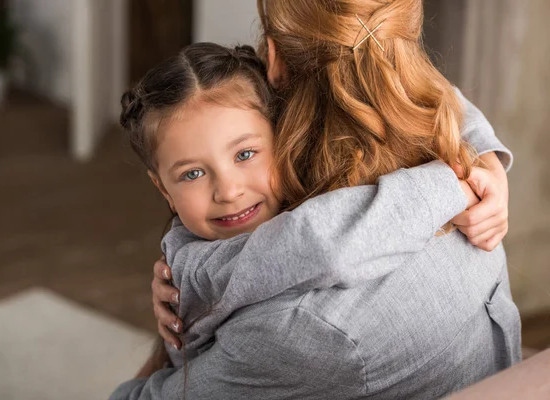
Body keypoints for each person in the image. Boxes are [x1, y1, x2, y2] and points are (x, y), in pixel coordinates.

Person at [112, 1, 518, 398]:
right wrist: (484, 163)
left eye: (245, 154)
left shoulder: (309, 330)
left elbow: (321, 243)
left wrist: (452, 185)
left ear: (273, 60)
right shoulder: (452, 151)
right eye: (193, 174)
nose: (229, 191)